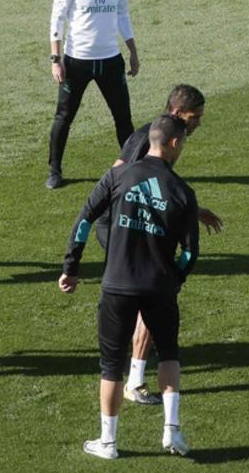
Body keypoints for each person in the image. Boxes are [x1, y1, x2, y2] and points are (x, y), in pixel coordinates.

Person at [59, 114, 200, 459]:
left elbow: (84, 222)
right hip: (159, 288)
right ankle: (172, 432)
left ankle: (108, 442)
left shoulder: (118, 175)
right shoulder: (183, 192)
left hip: (117, 286)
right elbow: (190, 252)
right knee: (169, 354)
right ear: (174, 143)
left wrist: (71, 267)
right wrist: (174, 280)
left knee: (111, 366)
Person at [95, 84, 223, 406]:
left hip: (128, 226)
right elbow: (117, 178)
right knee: (151, 291)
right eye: (194, 117)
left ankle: (134, 377)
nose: (198, 124)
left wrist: (192, 210)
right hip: (121, 228)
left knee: (150, 293)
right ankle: (133, 380)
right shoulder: (146, 139)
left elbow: (156, 188)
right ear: (178, 113)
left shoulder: (160, 138)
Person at [47, 0, 139, 189]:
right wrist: (56, 59)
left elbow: (122, 14)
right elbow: (57, 19)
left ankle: (135, 168)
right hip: (77, 61)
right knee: (64, 116)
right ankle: (54, 170)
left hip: (110, 60)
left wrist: (132, 49)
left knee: (123, 116)